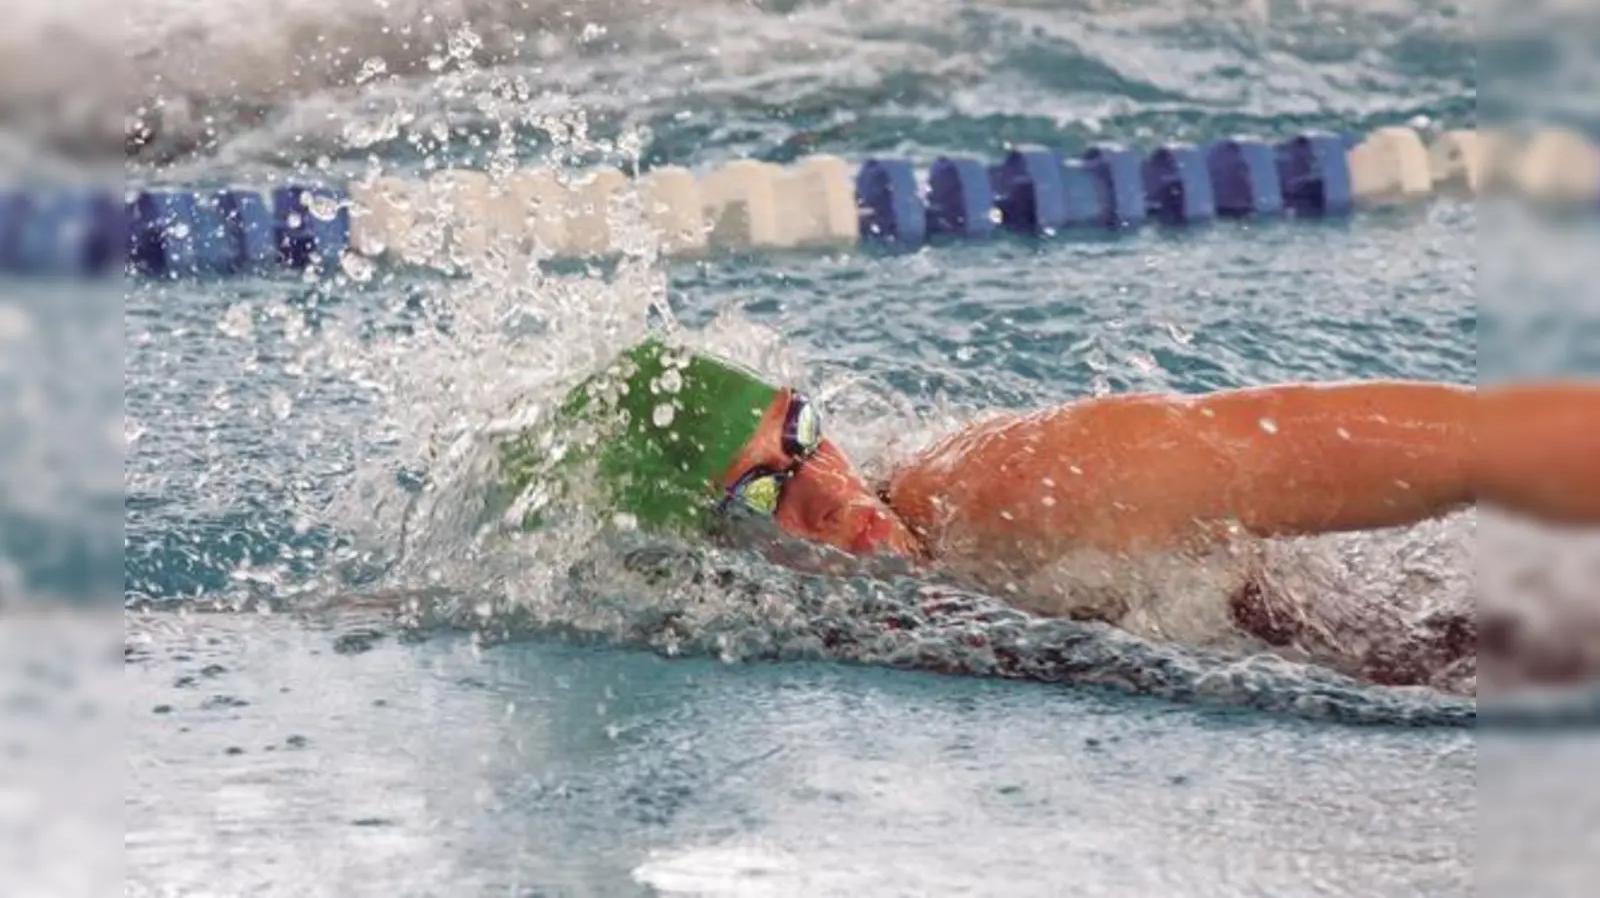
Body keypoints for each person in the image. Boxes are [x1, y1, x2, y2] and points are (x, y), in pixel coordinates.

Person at [494, 336, 1600, 688]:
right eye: (765, 489)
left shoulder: (1011, 489)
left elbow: (1480, 443)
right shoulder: (740, 622)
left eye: (804, 434)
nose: (829, 493)